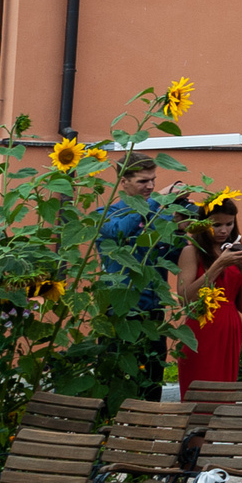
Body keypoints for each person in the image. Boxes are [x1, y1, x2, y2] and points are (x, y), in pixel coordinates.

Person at [98, 153, 180, 401]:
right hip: (120, 312)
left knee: (151, 382)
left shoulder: (160, 216)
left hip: (152, 310)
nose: (151, 186)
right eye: (143, 181)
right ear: (124, 181)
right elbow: (120, 232)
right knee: (115, 380)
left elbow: (174, 258)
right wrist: (156, 202)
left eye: (153, 180)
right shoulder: (106, 214)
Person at [171, 193, 242, 388]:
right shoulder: (191, 251)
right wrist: (218, 265)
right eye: (216, 225)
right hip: (201, 327)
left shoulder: (234, 251)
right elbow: (184, 299)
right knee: (200, 388)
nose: (224, 230)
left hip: (230, 326)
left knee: (225, 391)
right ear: (203, 224)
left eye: (229, 224)